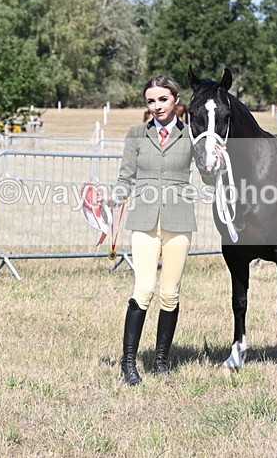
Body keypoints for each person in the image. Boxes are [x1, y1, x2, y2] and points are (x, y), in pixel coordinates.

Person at [109, 74, 197, 386]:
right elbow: (125, 178)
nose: (157, 106)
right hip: (143, 222)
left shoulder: (192, 135)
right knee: (144, 289)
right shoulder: (135, 134)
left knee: (170, 294)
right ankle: (128, 363)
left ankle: (161, 360)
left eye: (162, 99)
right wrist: (113, 197)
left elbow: (210, 173)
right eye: (151, 100)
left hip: (179, 221)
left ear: (176, 100)